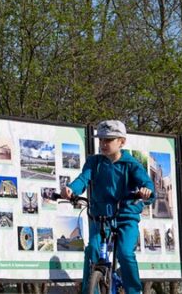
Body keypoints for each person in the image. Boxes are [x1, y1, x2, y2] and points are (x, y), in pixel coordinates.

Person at [62, 120, 154, 294]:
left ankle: (134, 291)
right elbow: (83, 179)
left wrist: (146, 191)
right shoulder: (94, 162)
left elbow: (147, 184)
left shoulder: (131, 164)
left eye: (108, 140)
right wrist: (71, 190)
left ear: (122, 142)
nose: (103, 144)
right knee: (92, 250)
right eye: (101, 140)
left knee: (125, 254)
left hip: (125, 217)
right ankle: (89, 291)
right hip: (101, 217)